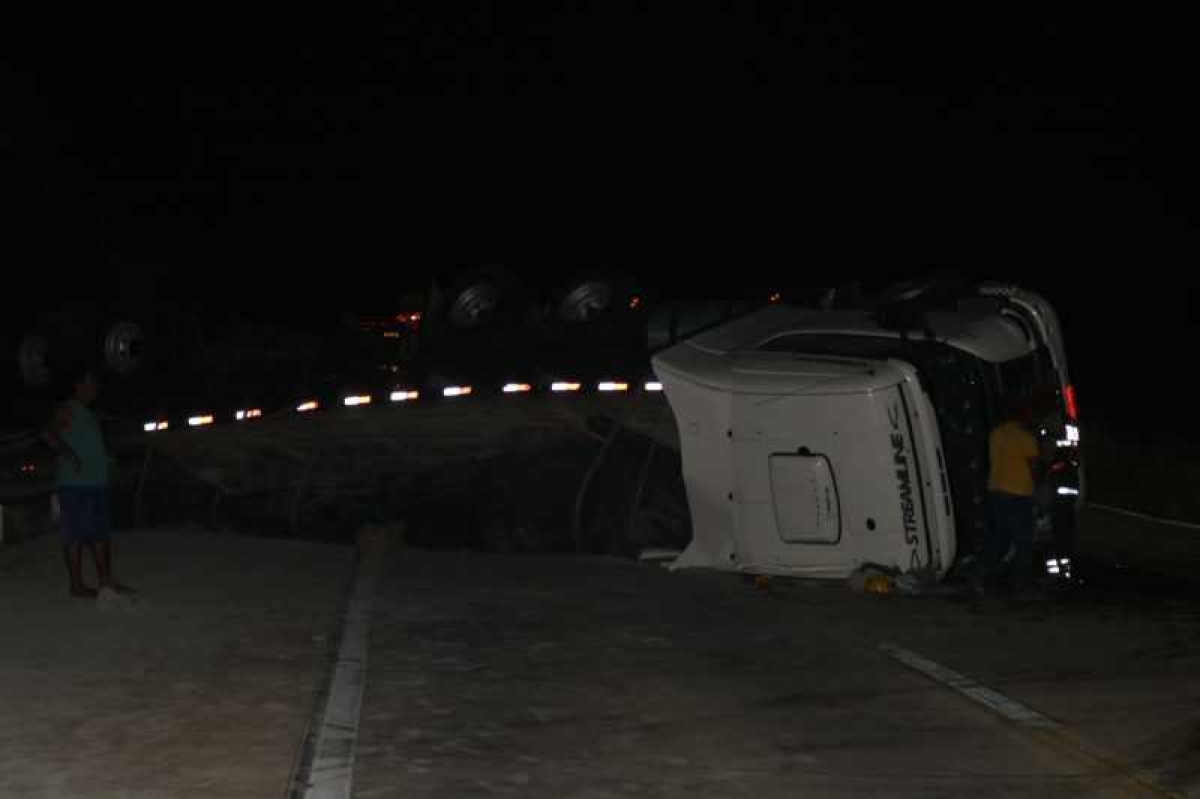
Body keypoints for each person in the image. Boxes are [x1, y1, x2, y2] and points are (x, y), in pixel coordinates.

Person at [41, 364, 135, 599]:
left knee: (100, 534)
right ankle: (77, 585)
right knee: (75, 536)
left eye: (96, 384)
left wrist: (106, 460)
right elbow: (48, 433)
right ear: (78, 386)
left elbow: (89, 445)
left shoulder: (89, 413)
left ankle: (106, 581)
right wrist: (68, 453)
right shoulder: (68, 409)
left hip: (95, 483)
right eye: (91, 384)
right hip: (74, 485)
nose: (95, 389)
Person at [971, 394, 1044, 599]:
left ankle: (978, 573)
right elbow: (1034, 468)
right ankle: (1023, 586)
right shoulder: (1026, 438)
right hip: (1019, 494)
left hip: (996, 491)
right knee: (1024, 542)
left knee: (1001, 538)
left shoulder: (996, 434)